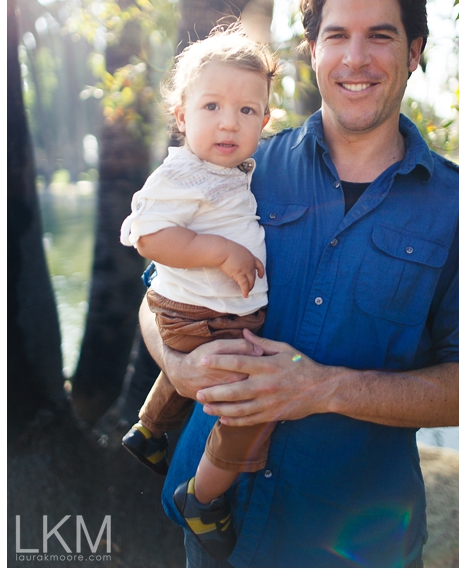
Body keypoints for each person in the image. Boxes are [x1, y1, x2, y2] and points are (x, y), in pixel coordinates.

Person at [139, 0, 459, 568]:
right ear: (311, 51)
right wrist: (177, 368)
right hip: (213, 521)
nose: (356, 58)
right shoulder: (241, 166)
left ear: (415, 53)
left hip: (354, 540)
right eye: (337, 36)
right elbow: (156, 293)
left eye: (381, 36)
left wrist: (323, 389)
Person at [119, 27, 278, 559]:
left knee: (187, 369)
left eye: (247, 110)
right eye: (212, 106)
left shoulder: (228, 170)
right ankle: (204, 499)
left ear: (266, 121)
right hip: (202, 315)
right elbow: (148, 236)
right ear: (182, 116)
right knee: (249, 404)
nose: (230, 121)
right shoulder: (184, 173)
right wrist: (218, 251)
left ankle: (148, 430)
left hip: (207, 314)